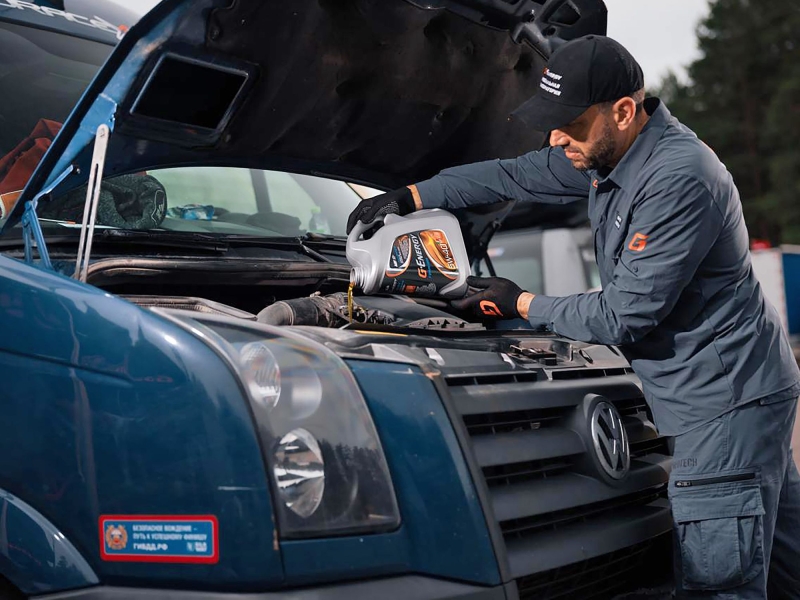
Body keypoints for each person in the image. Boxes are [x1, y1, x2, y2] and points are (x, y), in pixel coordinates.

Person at [346, 35, 800, 599]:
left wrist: (520, 303)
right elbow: (511, 176)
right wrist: (411, 196)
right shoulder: (608, 154)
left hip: (721, 404)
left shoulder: (676, 178)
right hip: (745, 388)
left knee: (719, 582)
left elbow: (624, 314)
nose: (557, 136)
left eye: (569, 122)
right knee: (781, 566)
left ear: (624, 112)